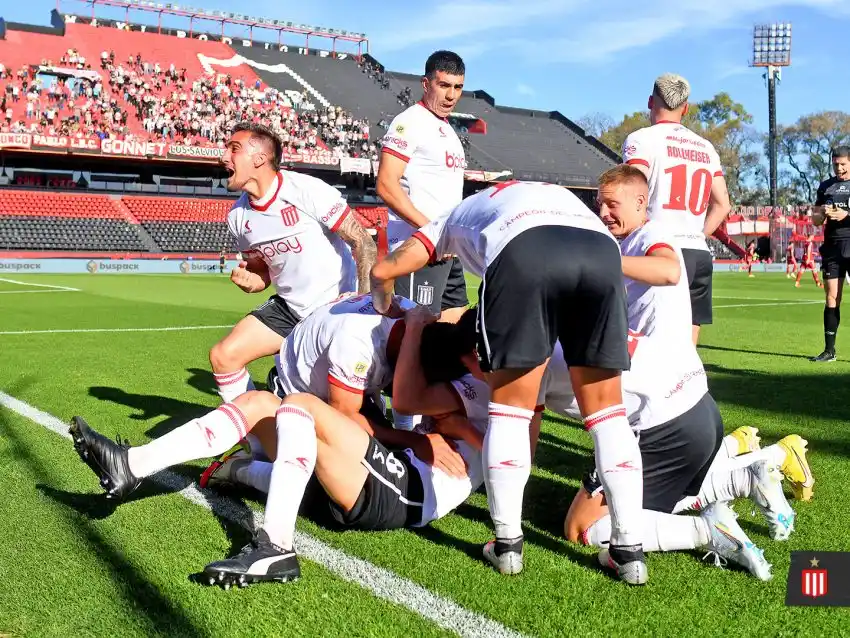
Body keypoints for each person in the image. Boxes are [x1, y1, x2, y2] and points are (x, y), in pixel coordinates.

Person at [370, 181, 646, 582]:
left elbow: (389, 266)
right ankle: (629, 550)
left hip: (526, 250)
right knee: (607, 413)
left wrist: (381, 293)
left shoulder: (450, 218)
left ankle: (506, 544)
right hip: (601, 251)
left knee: (511, 410)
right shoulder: (533, 193)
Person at [553, 165, 810, 581]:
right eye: (600, 204)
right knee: (654, 497)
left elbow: (669, 270)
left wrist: (607, 261)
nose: (604, 213)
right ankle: (750, 474)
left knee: (582, 529)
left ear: (641, 203)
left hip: (661, 415)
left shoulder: (651, 237)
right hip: (689, 399)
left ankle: (706, 527)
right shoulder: (632, 241)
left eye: (612, 204)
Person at [209, 122, 377, 403]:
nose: (223, 156)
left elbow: (363, 241)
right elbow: (261, 272)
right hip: (290, 309)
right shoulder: (238, 216)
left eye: (233, 149)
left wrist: (364, 306)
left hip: (333, 309)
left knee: (347, 403)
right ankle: (257, 436)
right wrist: (252, 281)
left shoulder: (305, 190)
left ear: (260, 158)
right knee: (224, 356)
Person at [621, 73, 732, 345]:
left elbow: (632, 192)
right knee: (687, 355)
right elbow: (723, 204)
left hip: (660, 252)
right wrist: (699, 234)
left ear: (650, 101)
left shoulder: (641, 139)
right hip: (698, 253)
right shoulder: (706, 147)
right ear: (686, 108)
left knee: (645, 346)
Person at [376, 50, 469, 323]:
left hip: (448, 249)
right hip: (419, 248)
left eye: (458, 87)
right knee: (413, 340)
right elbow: (386, 185)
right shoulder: (409, 122)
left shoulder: (449, 131)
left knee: (450, 340)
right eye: (444, 85)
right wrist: (432, 231)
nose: (451, 95)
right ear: (426, 84)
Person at [810, 146, 850, 362]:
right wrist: (822, 212)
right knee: (831, 297)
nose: (839, 168)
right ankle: (829, 351)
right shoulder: (825, 186)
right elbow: (815, 220)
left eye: (843, 164)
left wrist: (847, 214)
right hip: (832, 248)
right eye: (836, 164)